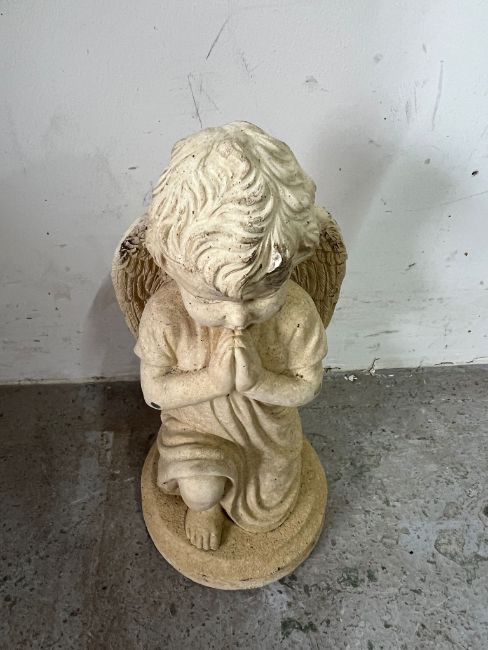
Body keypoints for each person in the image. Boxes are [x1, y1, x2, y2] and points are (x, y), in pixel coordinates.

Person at [134, 122, 327, 550]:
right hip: (195, 426)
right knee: (200, 489)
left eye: (261, 297)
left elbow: (307, 386)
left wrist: (259, 383)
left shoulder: (295, 315)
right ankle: (203, 507)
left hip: (267, 432)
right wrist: (212, 382)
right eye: (209, 300)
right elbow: (155, 390)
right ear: (170, 268)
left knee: (268, 511)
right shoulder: (166, 316)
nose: (237, 317)